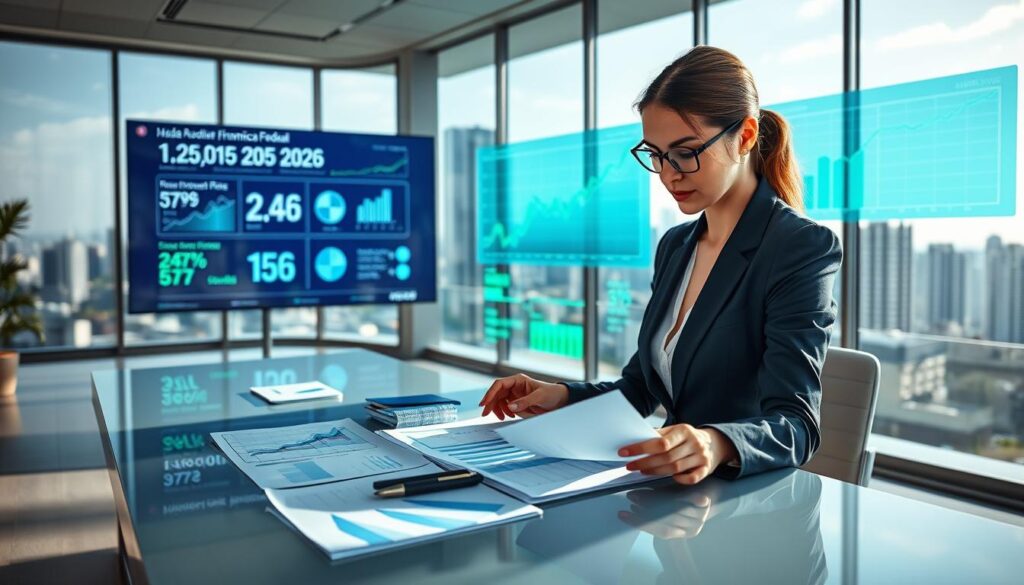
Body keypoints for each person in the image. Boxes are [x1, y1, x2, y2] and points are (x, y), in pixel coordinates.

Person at [478, 45, 843, 486]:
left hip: (750, 505)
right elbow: (642, 388)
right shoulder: (676, 245)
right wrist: (560, 396)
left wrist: (715, 443)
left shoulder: (800, 246)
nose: (669, 174)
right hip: (677, 502)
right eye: (656, 154)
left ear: (745, 137)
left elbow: (798, 427)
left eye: (686, 152)